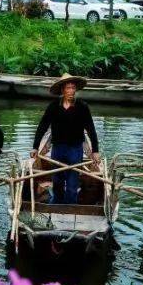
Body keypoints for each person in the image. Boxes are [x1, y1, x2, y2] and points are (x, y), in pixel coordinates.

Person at [30, 74, 100, 204]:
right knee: (57, 181)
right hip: (58, 149)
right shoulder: (53, 106)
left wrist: (95, 151)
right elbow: (42, 127)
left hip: (75, 149)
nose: (71, 91)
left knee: (73, 183)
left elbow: (91, 130)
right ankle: (57, 205)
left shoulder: (82, 107)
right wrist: (35, 146)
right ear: (62, 90)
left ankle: (70, 207)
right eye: (68, 88)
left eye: (73, 88)